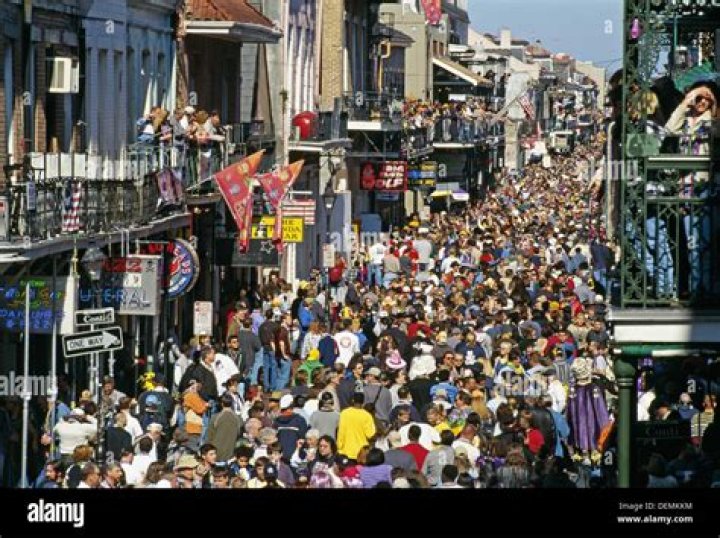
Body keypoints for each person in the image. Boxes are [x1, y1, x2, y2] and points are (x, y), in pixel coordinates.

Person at [337, 393, 376, 460]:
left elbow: (341, 432)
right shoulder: (367, 416)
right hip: (361, 453)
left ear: (353, 400)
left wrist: (339, 447)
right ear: (363, 402)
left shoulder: (344, 413)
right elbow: (370, 435)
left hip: (346, 451)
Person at [207, 393, 242, 462]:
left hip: (216, 454)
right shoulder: (238, 419)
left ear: (222, 404)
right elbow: (239, 436)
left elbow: (209, 438)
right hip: (231, 454)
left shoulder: (215, 418)